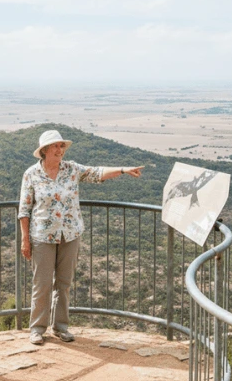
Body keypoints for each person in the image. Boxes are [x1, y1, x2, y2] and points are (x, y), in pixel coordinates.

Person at [18, 130, 144, 345]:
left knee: (64, 283)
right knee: (42, 283)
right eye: (55, 146)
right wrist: (25, 240)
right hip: (43, 236)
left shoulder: (72, 169)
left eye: (61, 146)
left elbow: (97, 173)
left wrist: (123, 170)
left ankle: (60, 327)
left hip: (71, 234)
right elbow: (24, 208)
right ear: (44, 151)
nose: (60, 150)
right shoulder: (31, 174)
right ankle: (37, 329)